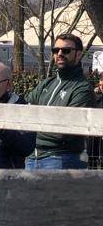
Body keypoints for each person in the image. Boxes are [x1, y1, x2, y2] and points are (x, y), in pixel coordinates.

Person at [25, 33, 95, 169]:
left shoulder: (82, 89)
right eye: (56, 50)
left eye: (66, 50)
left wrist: (34, 128)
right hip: (33, 158)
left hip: (62, 159)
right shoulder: (46, 84)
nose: (60, 54)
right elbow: (24, 112)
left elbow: (65, 131)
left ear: (79, 54)